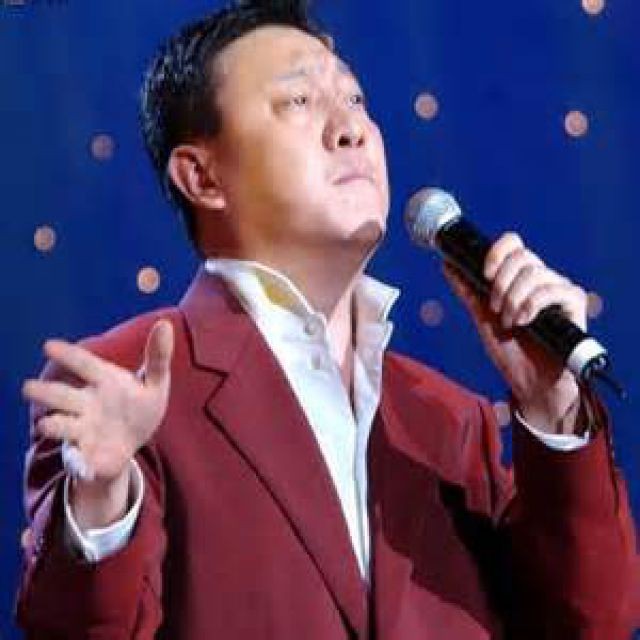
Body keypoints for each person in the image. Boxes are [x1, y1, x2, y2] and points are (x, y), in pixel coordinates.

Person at [16, 1, 638, 638]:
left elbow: (590, 623)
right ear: (202, 176)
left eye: (357, 100)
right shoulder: (127, 382)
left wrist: (554, 409)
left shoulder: (447, 419)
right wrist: (99, 502)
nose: (352, 129)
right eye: (299, 101)